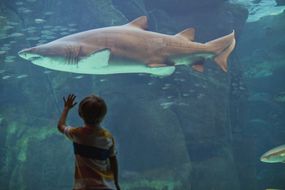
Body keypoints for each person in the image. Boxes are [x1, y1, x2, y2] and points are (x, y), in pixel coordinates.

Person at [57, 94, 120, 190]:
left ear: (80, 114)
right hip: (106, 186)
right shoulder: (108, 137)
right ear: (103, 116)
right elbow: (113, 160)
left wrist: (66, 108)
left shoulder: (77, 133)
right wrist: (116, 183)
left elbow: (60, 126)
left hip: (83, 187)